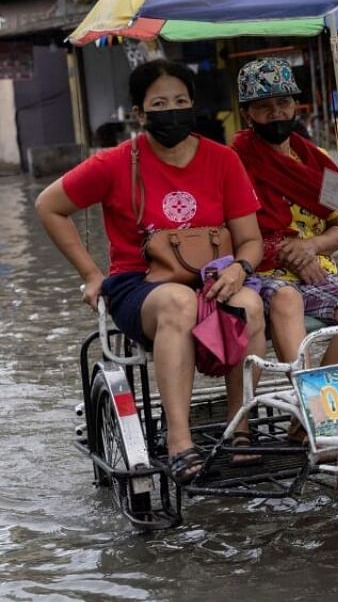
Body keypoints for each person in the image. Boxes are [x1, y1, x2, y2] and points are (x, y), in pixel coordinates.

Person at [34, 59, 267, 483]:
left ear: (194, 106)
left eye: (181, 101)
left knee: (249, 303)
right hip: (139, 285)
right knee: (178, 303)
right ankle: (180, 441)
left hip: (214, 276)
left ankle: (241, 430)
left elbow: (251, 239)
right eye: (160, 103)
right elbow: (48, 206)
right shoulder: (115, 162)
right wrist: (90, 274)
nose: (172, 110)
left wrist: (239, 268)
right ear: (140, 114)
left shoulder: (223, 160)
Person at [231, 58, 338, 371]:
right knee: (288, 299)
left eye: (283, 102)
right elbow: (228, 232)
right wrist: (283, 251)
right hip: (261, 275)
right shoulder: (232, 162)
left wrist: (310, 247)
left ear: (295, 106)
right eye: (263, 106)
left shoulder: (317, 159)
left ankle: (314, 406)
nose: (276, 113)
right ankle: (308, 402)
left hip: (317, 271)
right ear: (247, 113)